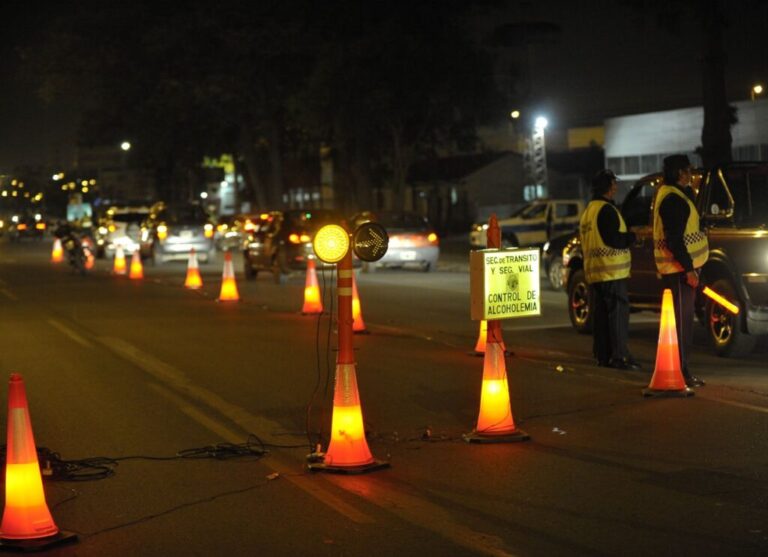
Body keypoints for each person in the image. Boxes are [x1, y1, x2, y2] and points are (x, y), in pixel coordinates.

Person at [653, 155, 709, 387]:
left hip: (678, 268)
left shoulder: (673, 195)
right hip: (678, 270)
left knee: (682, 322)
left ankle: (682, 369)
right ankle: (682, 371)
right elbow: (675, 239)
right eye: (687, 170)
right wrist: (688, 270)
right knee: (682, 324)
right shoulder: (673, 199)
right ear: (679, 173)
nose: (691, 174)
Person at [580, 169, 640, 370]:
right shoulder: (606, 210)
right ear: (609, 187)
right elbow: (614, 239)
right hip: (611, 271)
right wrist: (631, 237)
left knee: (602, 316)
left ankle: (602, 355)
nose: (616, 187)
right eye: (614, 184)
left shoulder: (589, 211)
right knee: (617, 315)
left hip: (596, 272)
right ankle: (619, 356)